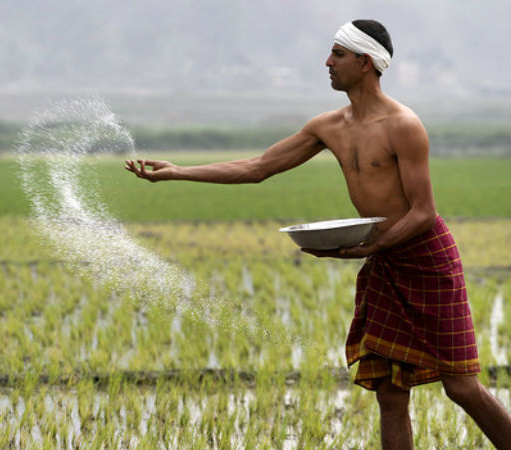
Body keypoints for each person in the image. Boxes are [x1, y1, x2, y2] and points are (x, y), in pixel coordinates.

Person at [125, 19, 511, 450]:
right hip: (384, 260)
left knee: (460, 387)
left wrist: (372, 246)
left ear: (365, 63)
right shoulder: (328, 126)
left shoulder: (404, 125)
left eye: (338, 55)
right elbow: (258, 168)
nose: (327, 63)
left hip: (425, 258)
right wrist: (179, 173)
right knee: (389, 390)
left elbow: (423, 213)